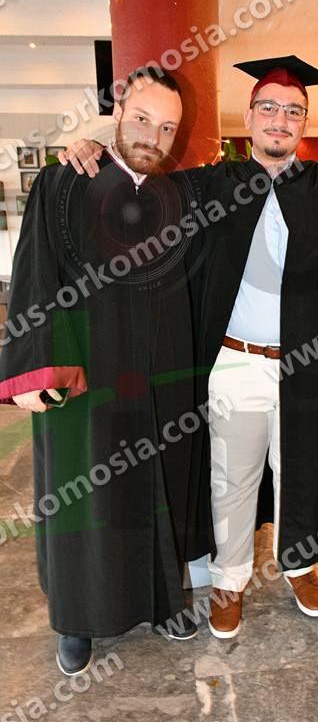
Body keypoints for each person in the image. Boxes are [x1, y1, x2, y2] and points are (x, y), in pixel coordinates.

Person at [60, 55, 318, 640]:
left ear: (303, 122)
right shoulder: (207, 185)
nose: (280, 119)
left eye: (293, 111)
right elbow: (140, 175)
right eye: (268, 108)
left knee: (301, 472)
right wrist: (93, 143)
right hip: (234, 361)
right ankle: (229, 582)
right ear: (251, 115)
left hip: (309, 369)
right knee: (231, 478)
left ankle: (300, 566)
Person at [0, 66, 207, 676]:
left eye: (166, 127)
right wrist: (36, 370)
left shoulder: (175, 197)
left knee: (155, 492)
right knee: (82, 496)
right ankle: (77, 618)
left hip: (158, 380)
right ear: (118, 111)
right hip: (85, 381)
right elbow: (35, 273)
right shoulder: (65, 182)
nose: (153, 135)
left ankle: (162, 601)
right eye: (142, 118)